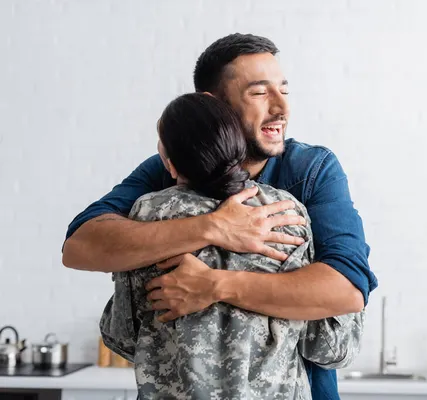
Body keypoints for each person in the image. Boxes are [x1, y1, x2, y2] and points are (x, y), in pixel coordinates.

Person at [63, 33, 378, 400]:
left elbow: (348, 289)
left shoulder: (311, 170)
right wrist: (214, 227)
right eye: (260, 92)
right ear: (214, 104)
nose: (281, 108)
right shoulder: (167, 169)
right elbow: (81, 245)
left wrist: (215, 285)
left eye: (284, 91)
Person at [101, 92, 364, 399]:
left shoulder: (147, 215)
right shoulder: (284, 214)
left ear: (170, 165)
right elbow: (331, 347)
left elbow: (122, 337)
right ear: (240, 148)